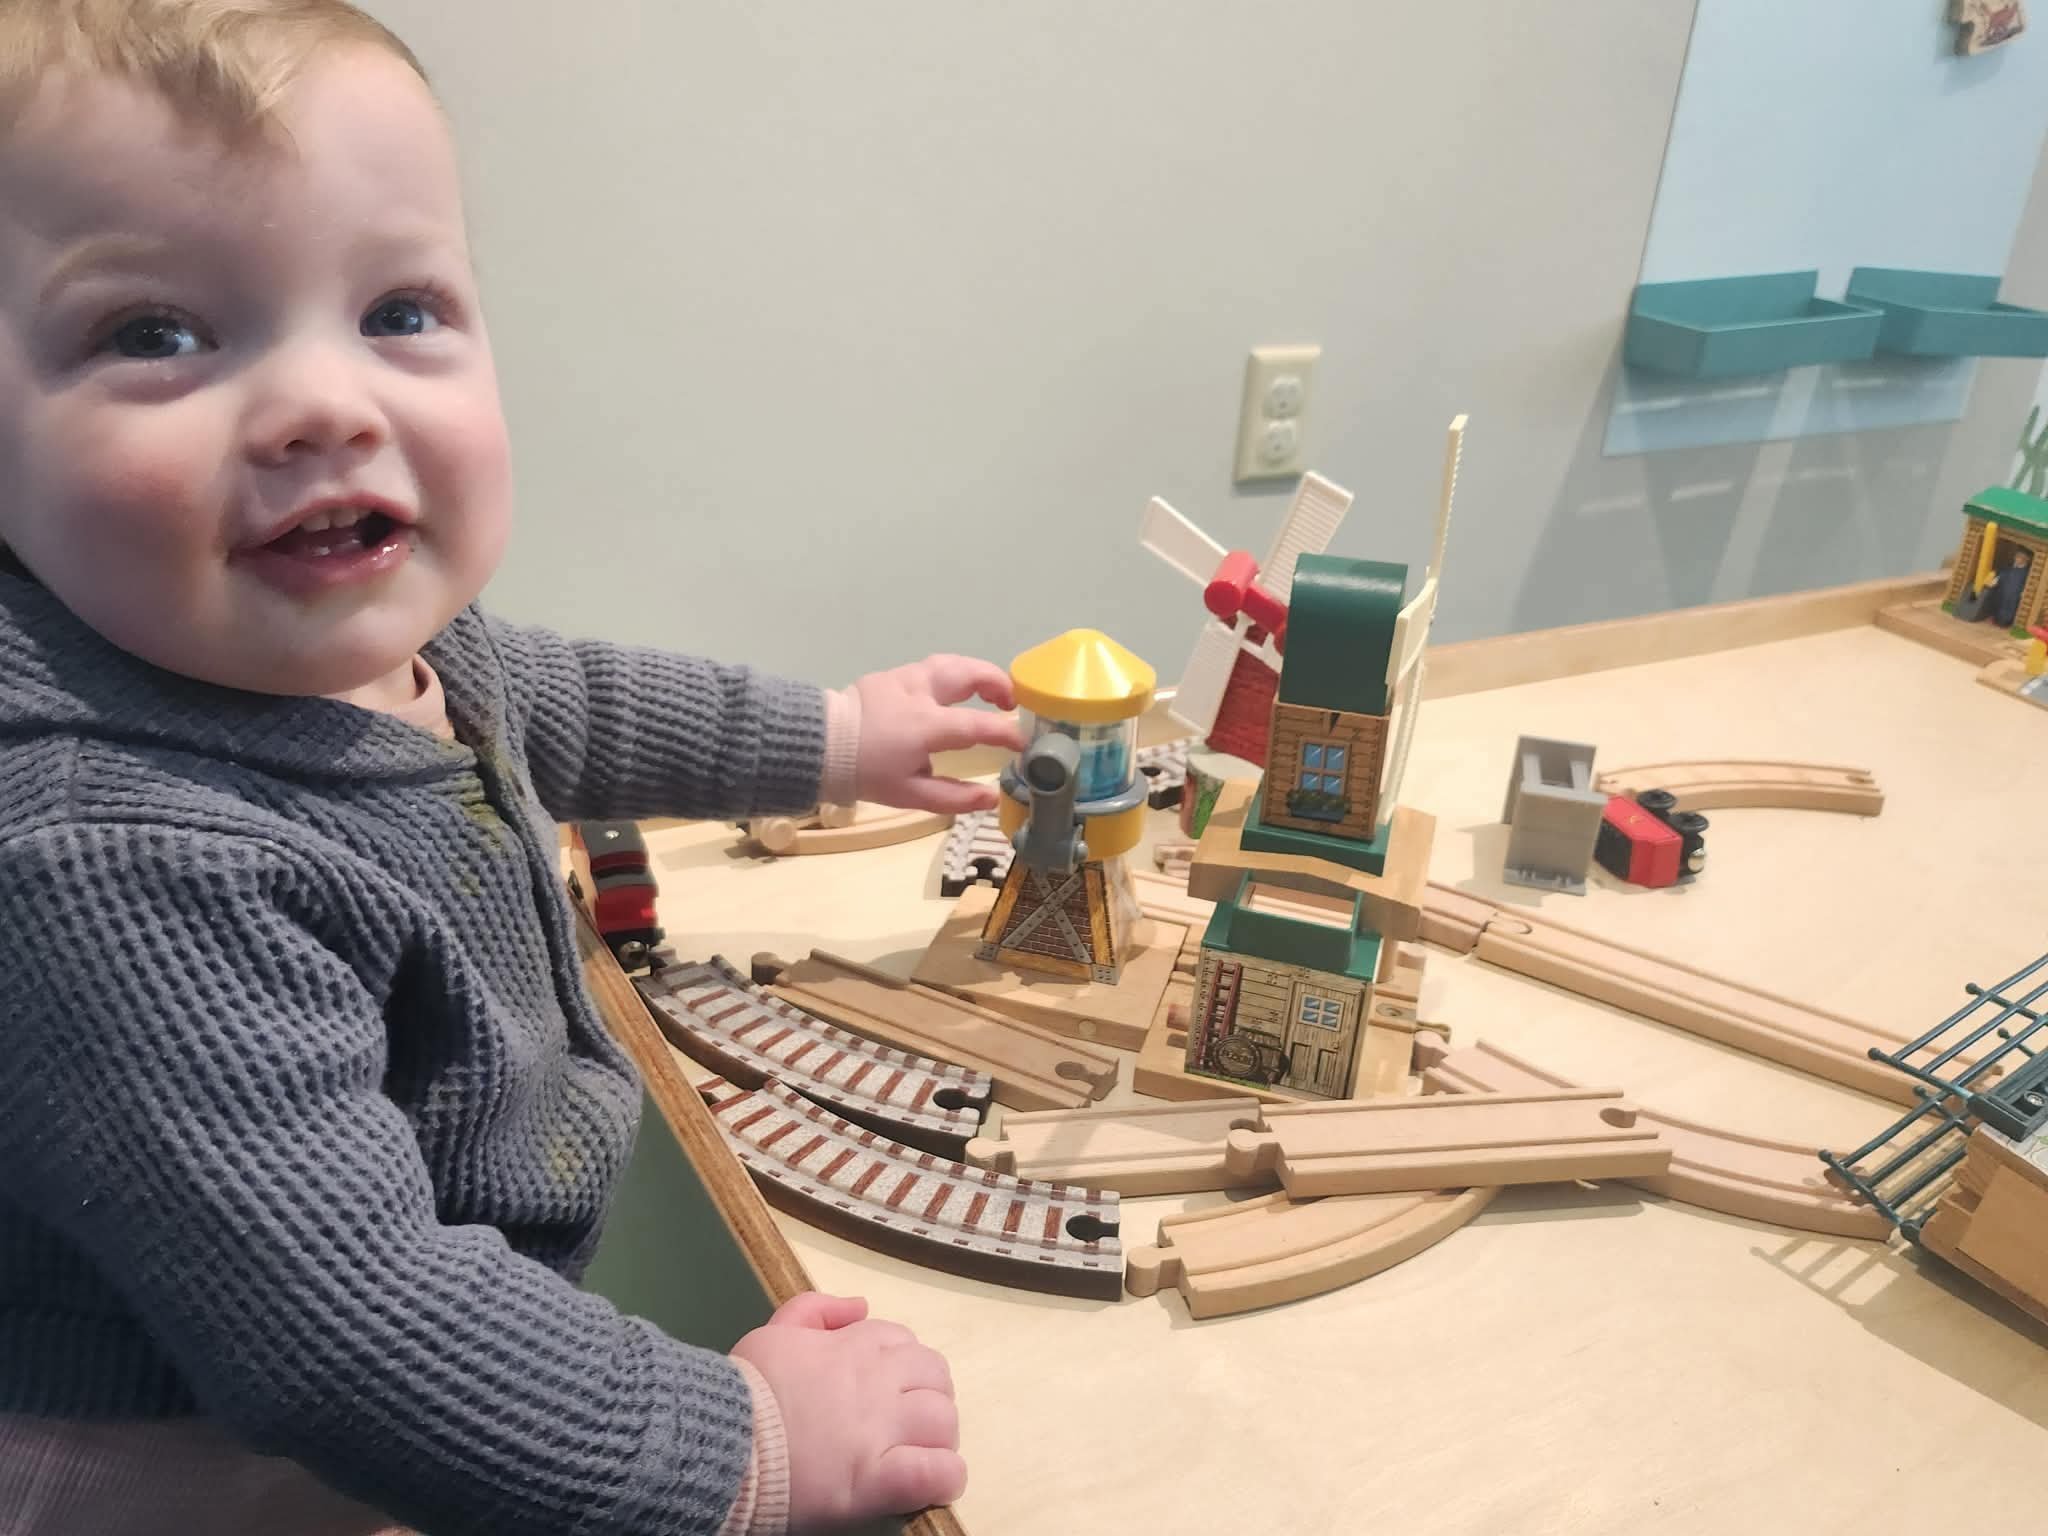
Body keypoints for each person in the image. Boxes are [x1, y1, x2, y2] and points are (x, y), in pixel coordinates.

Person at [0, 3, 1016, 1531]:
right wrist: (740, 1448)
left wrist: (839, 736)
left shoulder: (367, 650)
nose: (329, 406)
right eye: (157, 334)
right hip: (199, 1469)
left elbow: (569, 698)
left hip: (386, 1368)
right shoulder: (121, 866)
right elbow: (359, 1338)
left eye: (398, 309)